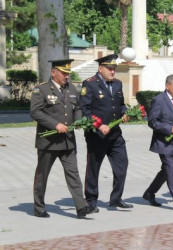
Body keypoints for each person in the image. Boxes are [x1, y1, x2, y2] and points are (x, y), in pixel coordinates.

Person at [30, 59, 95, 218]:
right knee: (42, 175)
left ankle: (81, 207)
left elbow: (77, 108)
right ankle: (39, 207)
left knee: (73, 173)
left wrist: (79, 121)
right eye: (64, 73)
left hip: (68, 141)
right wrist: (55, 125)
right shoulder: (42, 90)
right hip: (48, 142)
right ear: (54, 72)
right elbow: (36, 112)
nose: (67, 76)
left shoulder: (71, 88)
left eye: (68, 73)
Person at [80, 54, 132, 212]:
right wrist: (99, 125)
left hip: (115, 134)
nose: (112, 71)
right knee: (93, 168)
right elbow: (85, 109)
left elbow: (121, 105)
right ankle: (91, 200)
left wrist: (125, 113)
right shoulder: (89, 84)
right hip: (97, 135)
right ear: (100, 68)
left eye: (114, 68)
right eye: (109, 68)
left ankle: (116, 198)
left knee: (122, 165)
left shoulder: (117, 84)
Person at [142, 75, 173, 212]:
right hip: (164, 143)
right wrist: (169, 129)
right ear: (167, 86)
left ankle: (149, 193)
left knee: (166, 171)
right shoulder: (159, 100)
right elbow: (152, 122)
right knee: (171, 171)